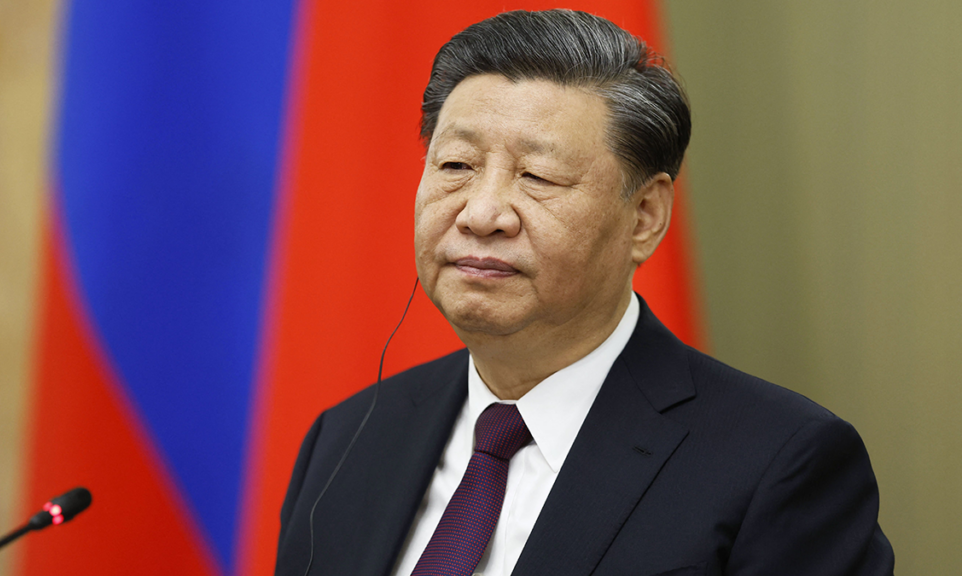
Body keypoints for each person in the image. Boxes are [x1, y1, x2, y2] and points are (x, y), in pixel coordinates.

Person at [275, 9, 894, 576]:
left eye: (537, 176)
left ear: (645, 216)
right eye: (456, 166)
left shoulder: (780, 465)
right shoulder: (348, 438)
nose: (482, 213)